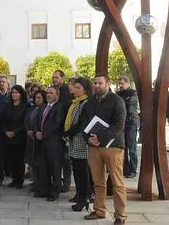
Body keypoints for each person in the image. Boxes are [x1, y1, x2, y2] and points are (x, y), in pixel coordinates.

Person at [83, 74, 127, 224]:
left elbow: (119, 124)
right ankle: (99, 210)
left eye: (100, 83)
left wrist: (100, 138)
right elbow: (84, 123)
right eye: (95, 83)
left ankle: (120, 216)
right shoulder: (89, 102)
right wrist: (88, 138)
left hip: (113, 147)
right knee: (98, 182)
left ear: (108, 84)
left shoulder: (117, 101)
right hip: (94, 148)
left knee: (117, 183)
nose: (96, 85)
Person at [64, 78, 92, 211]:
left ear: (85, 89)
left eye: (78, 88)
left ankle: (84, 198)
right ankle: (79, 195)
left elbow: (82, 123)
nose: (74, 90)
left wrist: (69, 132)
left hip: (81, 140)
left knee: (82, 171)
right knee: (77, 169)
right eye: (74, 87)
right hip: (74, 139)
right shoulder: (76, 103)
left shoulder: (86, 103)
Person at [34, 86, 64, 201]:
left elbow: (57, 124)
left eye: (51, 93)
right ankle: (44, 190)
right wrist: (37, 132)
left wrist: (44, 134)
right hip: (41, 142)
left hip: (53, 143)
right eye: (47, 93)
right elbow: (37, 122)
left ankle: (55, 191)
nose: (48, 95)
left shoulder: (59, 107)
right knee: (44, 167)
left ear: (57, 95)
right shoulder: (43, 107)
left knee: (55, 167)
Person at [3, 85, 28, 189]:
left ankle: (20, 180)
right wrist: (5, 131)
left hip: (19, 137)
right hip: (8, 137)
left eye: (16, 93)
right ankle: (14, 179)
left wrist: (15, 132)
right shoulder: (8, 106)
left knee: (19, 160)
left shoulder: (25, 106)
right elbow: (3, 120)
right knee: (10, 159)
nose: (14, 94)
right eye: (12, 92)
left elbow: (24, 122)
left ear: (21, 94)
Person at [52, 70, 72, 193]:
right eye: (53, 77)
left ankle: (67, 182)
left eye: (57, 77)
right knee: (57, 158)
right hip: (55, 129)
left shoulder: (65, 90)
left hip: (64, 128)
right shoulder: (52, 89)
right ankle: (57, 181)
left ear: (62, 78)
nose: (54, 79)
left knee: (65, 158)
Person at [116, 77, 139, 177]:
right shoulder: (119, 93)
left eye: (122, 83)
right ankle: (125, 169)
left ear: (128, 83)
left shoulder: (133, 93)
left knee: (132, 148)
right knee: (123, 148)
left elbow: (129, 104)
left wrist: (121, 101)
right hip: (122, 123)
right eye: (119, 84)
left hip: (131, 122)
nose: (120, 85)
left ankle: (133, 170)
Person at [26, 90, 46, 192]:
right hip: (30, 138)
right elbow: (27, 120)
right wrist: (28, 130)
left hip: (39, 139)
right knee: (32, 161)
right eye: (35, 98)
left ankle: (40, 183)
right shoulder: (31, 109)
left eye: (39, 98)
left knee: (39, 162)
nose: (37, 100)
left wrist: (35, 131)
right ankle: (35, 180)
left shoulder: (45, 109)